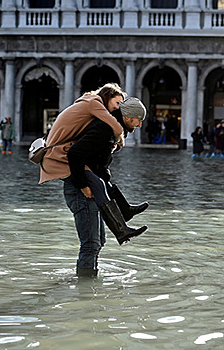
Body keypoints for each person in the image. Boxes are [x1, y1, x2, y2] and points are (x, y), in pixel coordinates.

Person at [39, 84, 148, 277]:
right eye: (138, 121)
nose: (139, 125)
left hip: (88, 185)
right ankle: (85, 288)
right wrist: (82, 186)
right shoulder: (105, 126)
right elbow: (74, 154)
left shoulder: (107, 127)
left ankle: (90, 284)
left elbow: (97, 164)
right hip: (81, 190)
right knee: (90, 244)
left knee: (98, 242)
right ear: (129, 117)